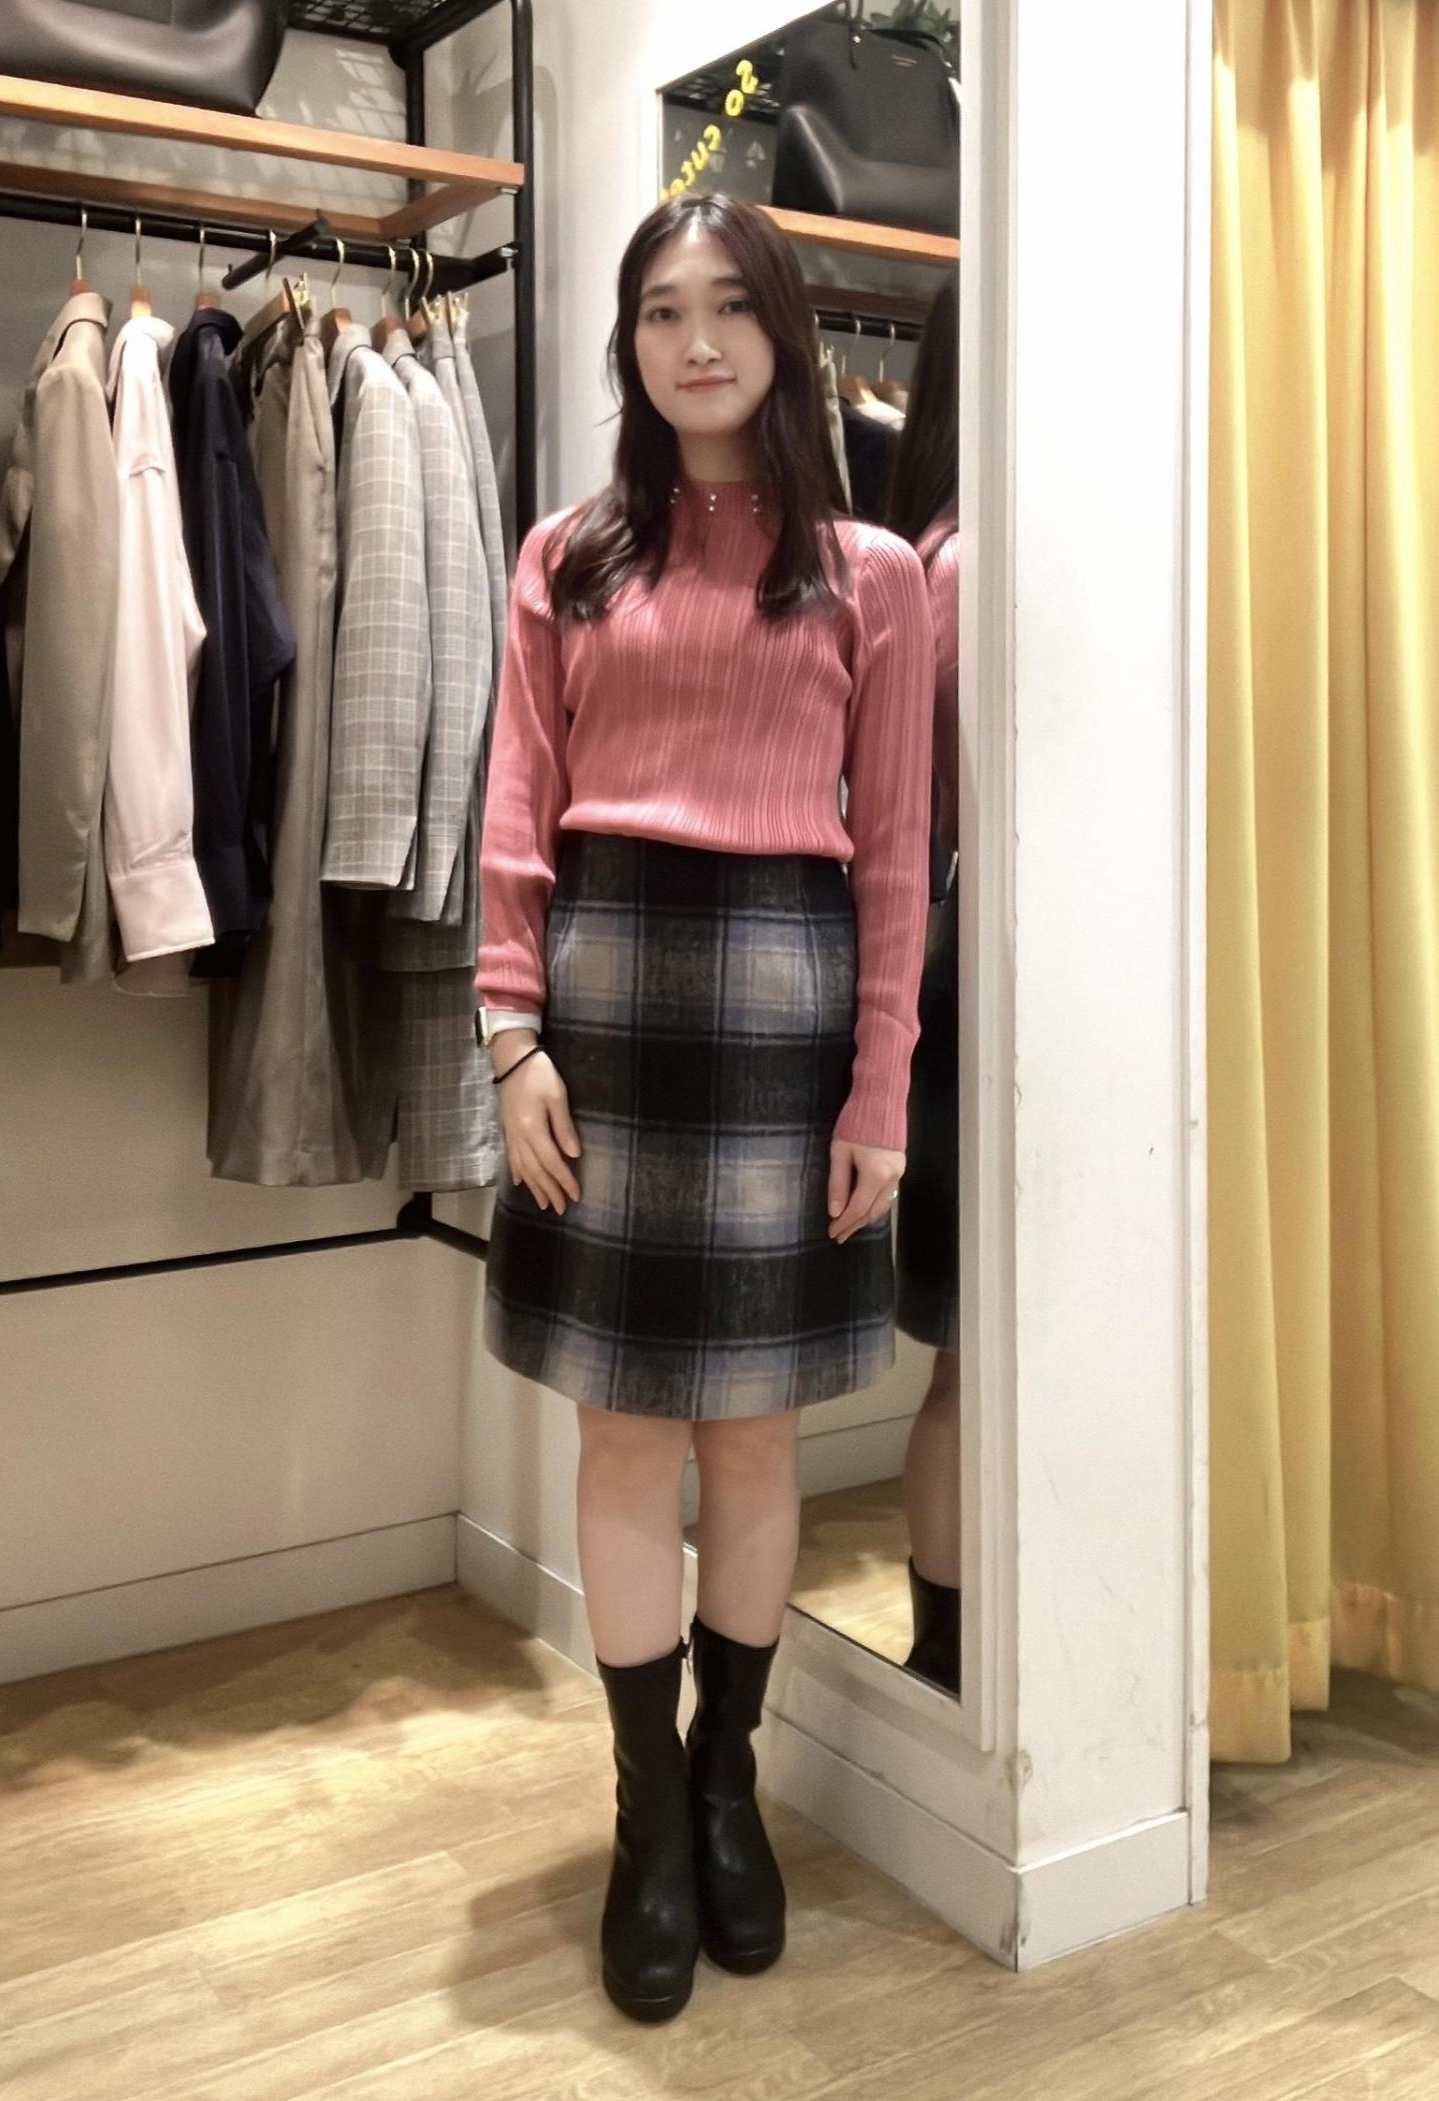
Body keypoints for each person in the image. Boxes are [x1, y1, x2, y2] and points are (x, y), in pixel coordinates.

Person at [474, 192, 934, 2023]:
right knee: (622, 1438)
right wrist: (511, 1039)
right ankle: (644, 1811)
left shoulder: (872, 574)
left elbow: (894, 857)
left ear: (785, 333)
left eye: (730, 307)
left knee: (752, 1439)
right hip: (604, 1023)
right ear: (631, 344)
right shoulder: (567, 556)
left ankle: (728, 1780)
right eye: (662, 312)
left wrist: (882, 1083)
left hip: (786, 1018)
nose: (696, 343)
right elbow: (516, 816)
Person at [886, 275, 964, 1698]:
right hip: (982, 980)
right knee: (982, 1351)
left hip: (969, 972)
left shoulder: (937, 549)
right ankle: (954, 1653)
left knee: (979, 1350)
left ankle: (956, 1648)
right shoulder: (964, 561)